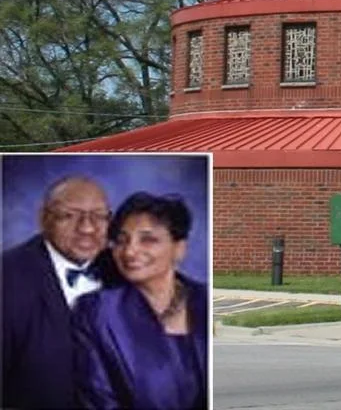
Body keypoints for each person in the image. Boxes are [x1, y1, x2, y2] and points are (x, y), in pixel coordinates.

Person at [73, 191, 209, 410]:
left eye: (148, 239)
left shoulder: (211, 301)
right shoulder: (96, 311)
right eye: (121, 240)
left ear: (179, 248)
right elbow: (97, 401)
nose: (130, 251)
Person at [2, 175, 112, 410]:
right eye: (69, 216)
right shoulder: (6, 277)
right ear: (44, 219)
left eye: (99, 216)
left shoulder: (126, 269)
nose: (87, 228)